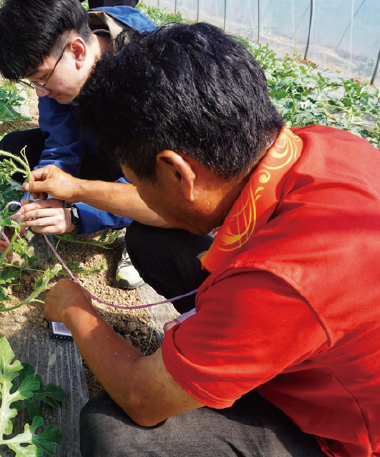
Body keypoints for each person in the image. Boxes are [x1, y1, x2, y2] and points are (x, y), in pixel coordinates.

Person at [43, 23, 380, 456]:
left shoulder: (284, 281)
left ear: (177, 173)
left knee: (117, 434)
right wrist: (76, 190)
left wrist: (75, 309)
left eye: (136, 181)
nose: (137, 192)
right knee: (152, 241)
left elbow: (142, 399)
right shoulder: (322, 145)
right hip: (312, 345)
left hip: (341, 433)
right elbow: (171, 214)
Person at [0, 0, 159, 290]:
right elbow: (60, 144)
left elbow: (159, 185)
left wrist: (78, 215)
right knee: (14, 150)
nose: (40, 92)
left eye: (43, 78)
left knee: (151, 228)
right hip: (100, 151)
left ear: (78, 51)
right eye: (34, 83)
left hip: (147, 170)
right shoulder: (58, 75)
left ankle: (136, 233)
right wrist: (41, 197)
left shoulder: (151, 68)